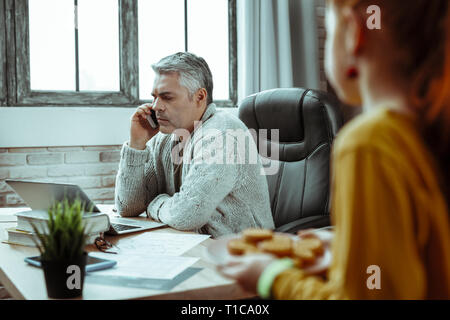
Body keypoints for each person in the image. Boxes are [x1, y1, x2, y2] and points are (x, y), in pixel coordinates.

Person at [218, 0, 450, 299]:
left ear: (355, 32)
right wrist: (346, 248)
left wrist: (271, 277)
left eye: (330, 29)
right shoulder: (427, 132)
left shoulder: (369, 145)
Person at [114, 52, 274, 238]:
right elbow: (127, 208)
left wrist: (155, 204)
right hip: (194, 244)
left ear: (200, 97)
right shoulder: (164, 137)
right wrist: (137, 145)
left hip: (244, 253)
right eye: (155, 97)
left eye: (167, 97)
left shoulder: (222, 134)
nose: (156, 106)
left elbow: (186, 216)